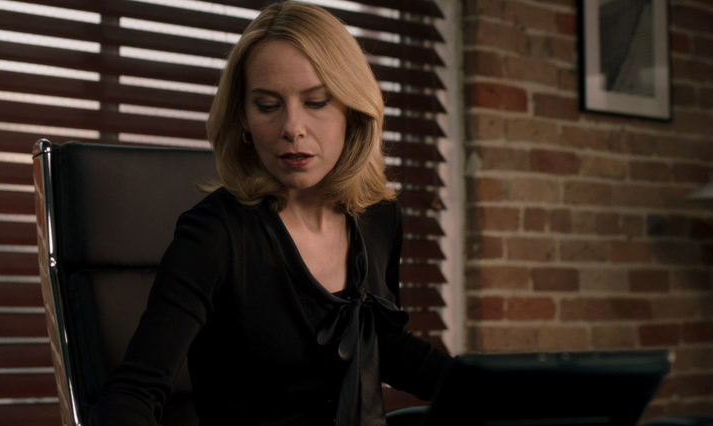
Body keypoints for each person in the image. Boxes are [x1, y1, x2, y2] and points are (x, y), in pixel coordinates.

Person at [91, 2, 452, 425]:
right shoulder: (214, 234)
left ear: (351, 112)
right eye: (267, 105)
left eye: (316, 102)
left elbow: (384, 343)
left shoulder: (379, 217)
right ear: (243, 119)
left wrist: (493, 390)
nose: (292, 128)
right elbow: (133, 392)